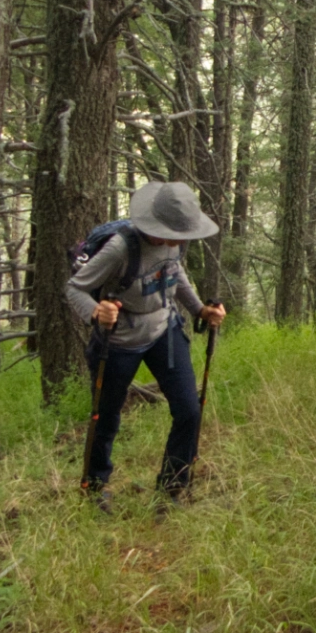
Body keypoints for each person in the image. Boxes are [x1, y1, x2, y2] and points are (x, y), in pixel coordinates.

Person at [65, 181, 227, 507]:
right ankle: (95, 487)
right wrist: (96, 312)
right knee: (106, 417)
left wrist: (199, 309)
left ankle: (172, 489)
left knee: (189, 410)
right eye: (178, 232)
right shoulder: (121, 248)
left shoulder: (175, 242)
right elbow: (74, 288)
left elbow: (173, 272)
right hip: (119, 341)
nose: (183, 239)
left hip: (163, 332)